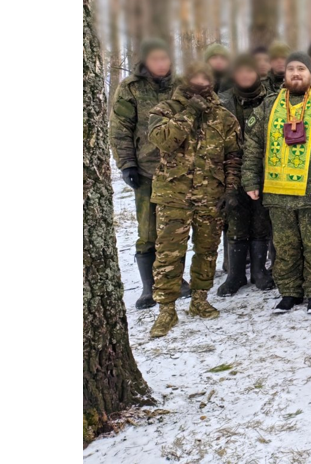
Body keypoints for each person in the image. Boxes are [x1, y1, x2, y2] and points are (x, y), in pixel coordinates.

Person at [242, 52, 311, 314]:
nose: (295, 73)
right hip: (277, 192)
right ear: (284, 74)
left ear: (310, 74)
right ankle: (290, 291)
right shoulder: (268, 106)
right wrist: (249, 178)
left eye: (301, 68)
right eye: (291, 68)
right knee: (284, 245)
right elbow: (252, 144)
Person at [146, 63, 243, 337]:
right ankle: (166, 310)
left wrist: (231, 189)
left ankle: (200, 300)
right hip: (173, 196)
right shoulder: (165, 110)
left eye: (206, 77)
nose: (201, 82)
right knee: (168, 254)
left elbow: (234, 157)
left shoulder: (224, 117)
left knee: (207, 250)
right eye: (196, 77)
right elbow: (164, 141)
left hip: (211, 196)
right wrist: (190, 111)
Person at [110, 38, 190, 310]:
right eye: (155, 59)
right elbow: (120, 128)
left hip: (177, 171)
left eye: (165, 58)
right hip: (145, 171)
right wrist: (127, 164)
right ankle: (149, 287)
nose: (161, 64)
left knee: (175, 228)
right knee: (148, 231)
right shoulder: (130, 88)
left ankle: (176, 280)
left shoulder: (181, 86)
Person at [217, 54, 275, 296]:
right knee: (236, 221)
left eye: (250, 71)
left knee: (261, 221)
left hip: (264, 170)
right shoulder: (222, 101)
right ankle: (236, 275)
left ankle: (260, 271)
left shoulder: (271, 100)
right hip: (231, 170)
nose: (246, 76)